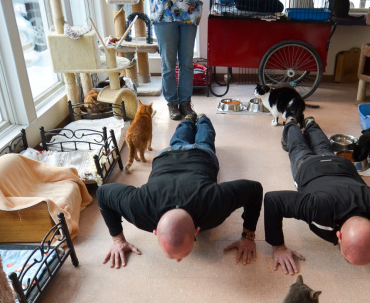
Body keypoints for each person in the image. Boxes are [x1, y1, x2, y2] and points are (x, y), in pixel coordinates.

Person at [264, 117, 370, 275]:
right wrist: (278, 247)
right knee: (298, 149)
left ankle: (310, 124)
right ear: (338, 235)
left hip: (341, 166)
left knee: (324, 149)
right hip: (310, 168)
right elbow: (273, 200)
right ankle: (292, 122)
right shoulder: (318, 208)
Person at [97, 114, 263, 268]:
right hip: (177, 155)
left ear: (155, 231)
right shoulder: (139, 207)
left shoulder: (214, 203)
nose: (178, 260)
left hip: (193, 155)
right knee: (186, 140)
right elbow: (103, 194)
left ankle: (197, 119)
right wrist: (117, 239)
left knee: (198, 140)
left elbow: (255, 190)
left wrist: (248, 237)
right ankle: (194, 119)